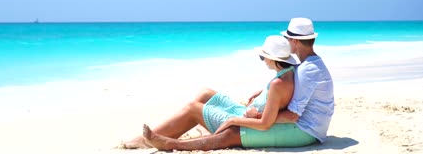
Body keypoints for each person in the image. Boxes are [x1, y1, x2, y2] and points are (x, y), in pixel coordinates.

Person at [122, 35, 307, 150]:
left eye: (263, 57)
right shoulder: (288, 74)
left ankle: (147, 140)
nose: (262, 60)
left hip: (244, 121)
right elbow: (275, 97)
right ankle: (172, 130)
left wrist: (234, 120)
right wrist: (261, 94)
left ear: (273, 59)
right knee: (205, 93)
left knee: (192, 108)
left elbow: (265, 124)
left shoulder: (278, 83)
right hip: (247, 113)